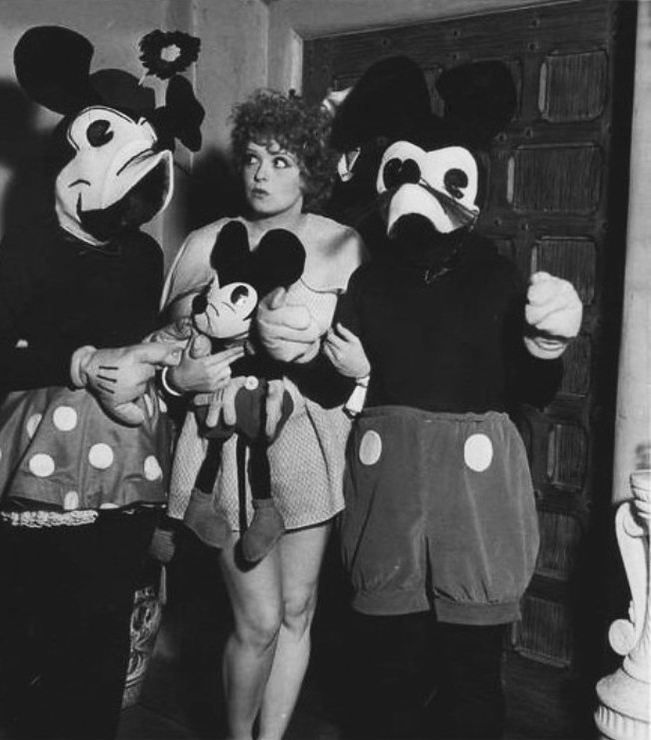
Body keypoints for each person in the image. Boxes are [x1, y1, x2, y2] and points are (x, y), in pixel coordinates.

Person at [319, 57, 584, 739]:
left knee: (471, 671)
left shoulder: (497, 275)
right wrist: (339, 369)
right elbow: (333, 385)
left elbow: (532, 391)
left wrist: (545, 346)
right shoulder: (370, 281)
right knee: (389, 669)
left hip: (475, 497)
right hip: (389, 495)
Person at [0, 25, 203, 740]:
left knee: (104, 626)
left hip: (126, 457)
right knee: (43, 629)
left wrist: (170, 350)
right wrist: (77, 363)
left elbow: (142, 346)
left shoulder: (144, 255)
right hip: (41, 461)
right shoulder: (30, 244)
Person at [160, 88, 366, 740]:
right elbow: (166, 349)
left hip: (310, 439)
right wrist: (178, 377)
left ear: (310, 169)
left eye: (280, 161)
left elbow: (365, 354)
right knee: (259, 620)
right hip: (228, 446)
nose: (260, 174)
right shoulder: (205, 243)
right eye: (252, 158)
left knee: (299, 609)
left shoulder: (343, 245)